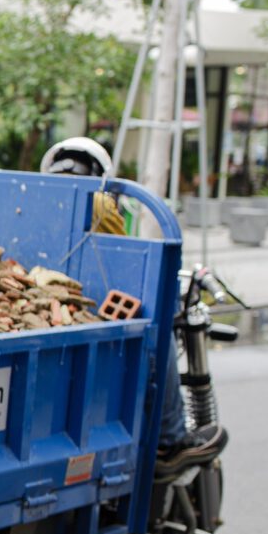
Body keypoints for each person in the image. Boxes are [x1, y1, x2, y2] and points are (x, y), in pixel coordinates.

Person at [38, 137, 228, 478]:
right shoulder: (98, 203)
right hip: (85, 307)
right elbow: (124, 265)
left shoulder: (32, 201)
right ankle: (169, 438)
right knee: (161, 306)